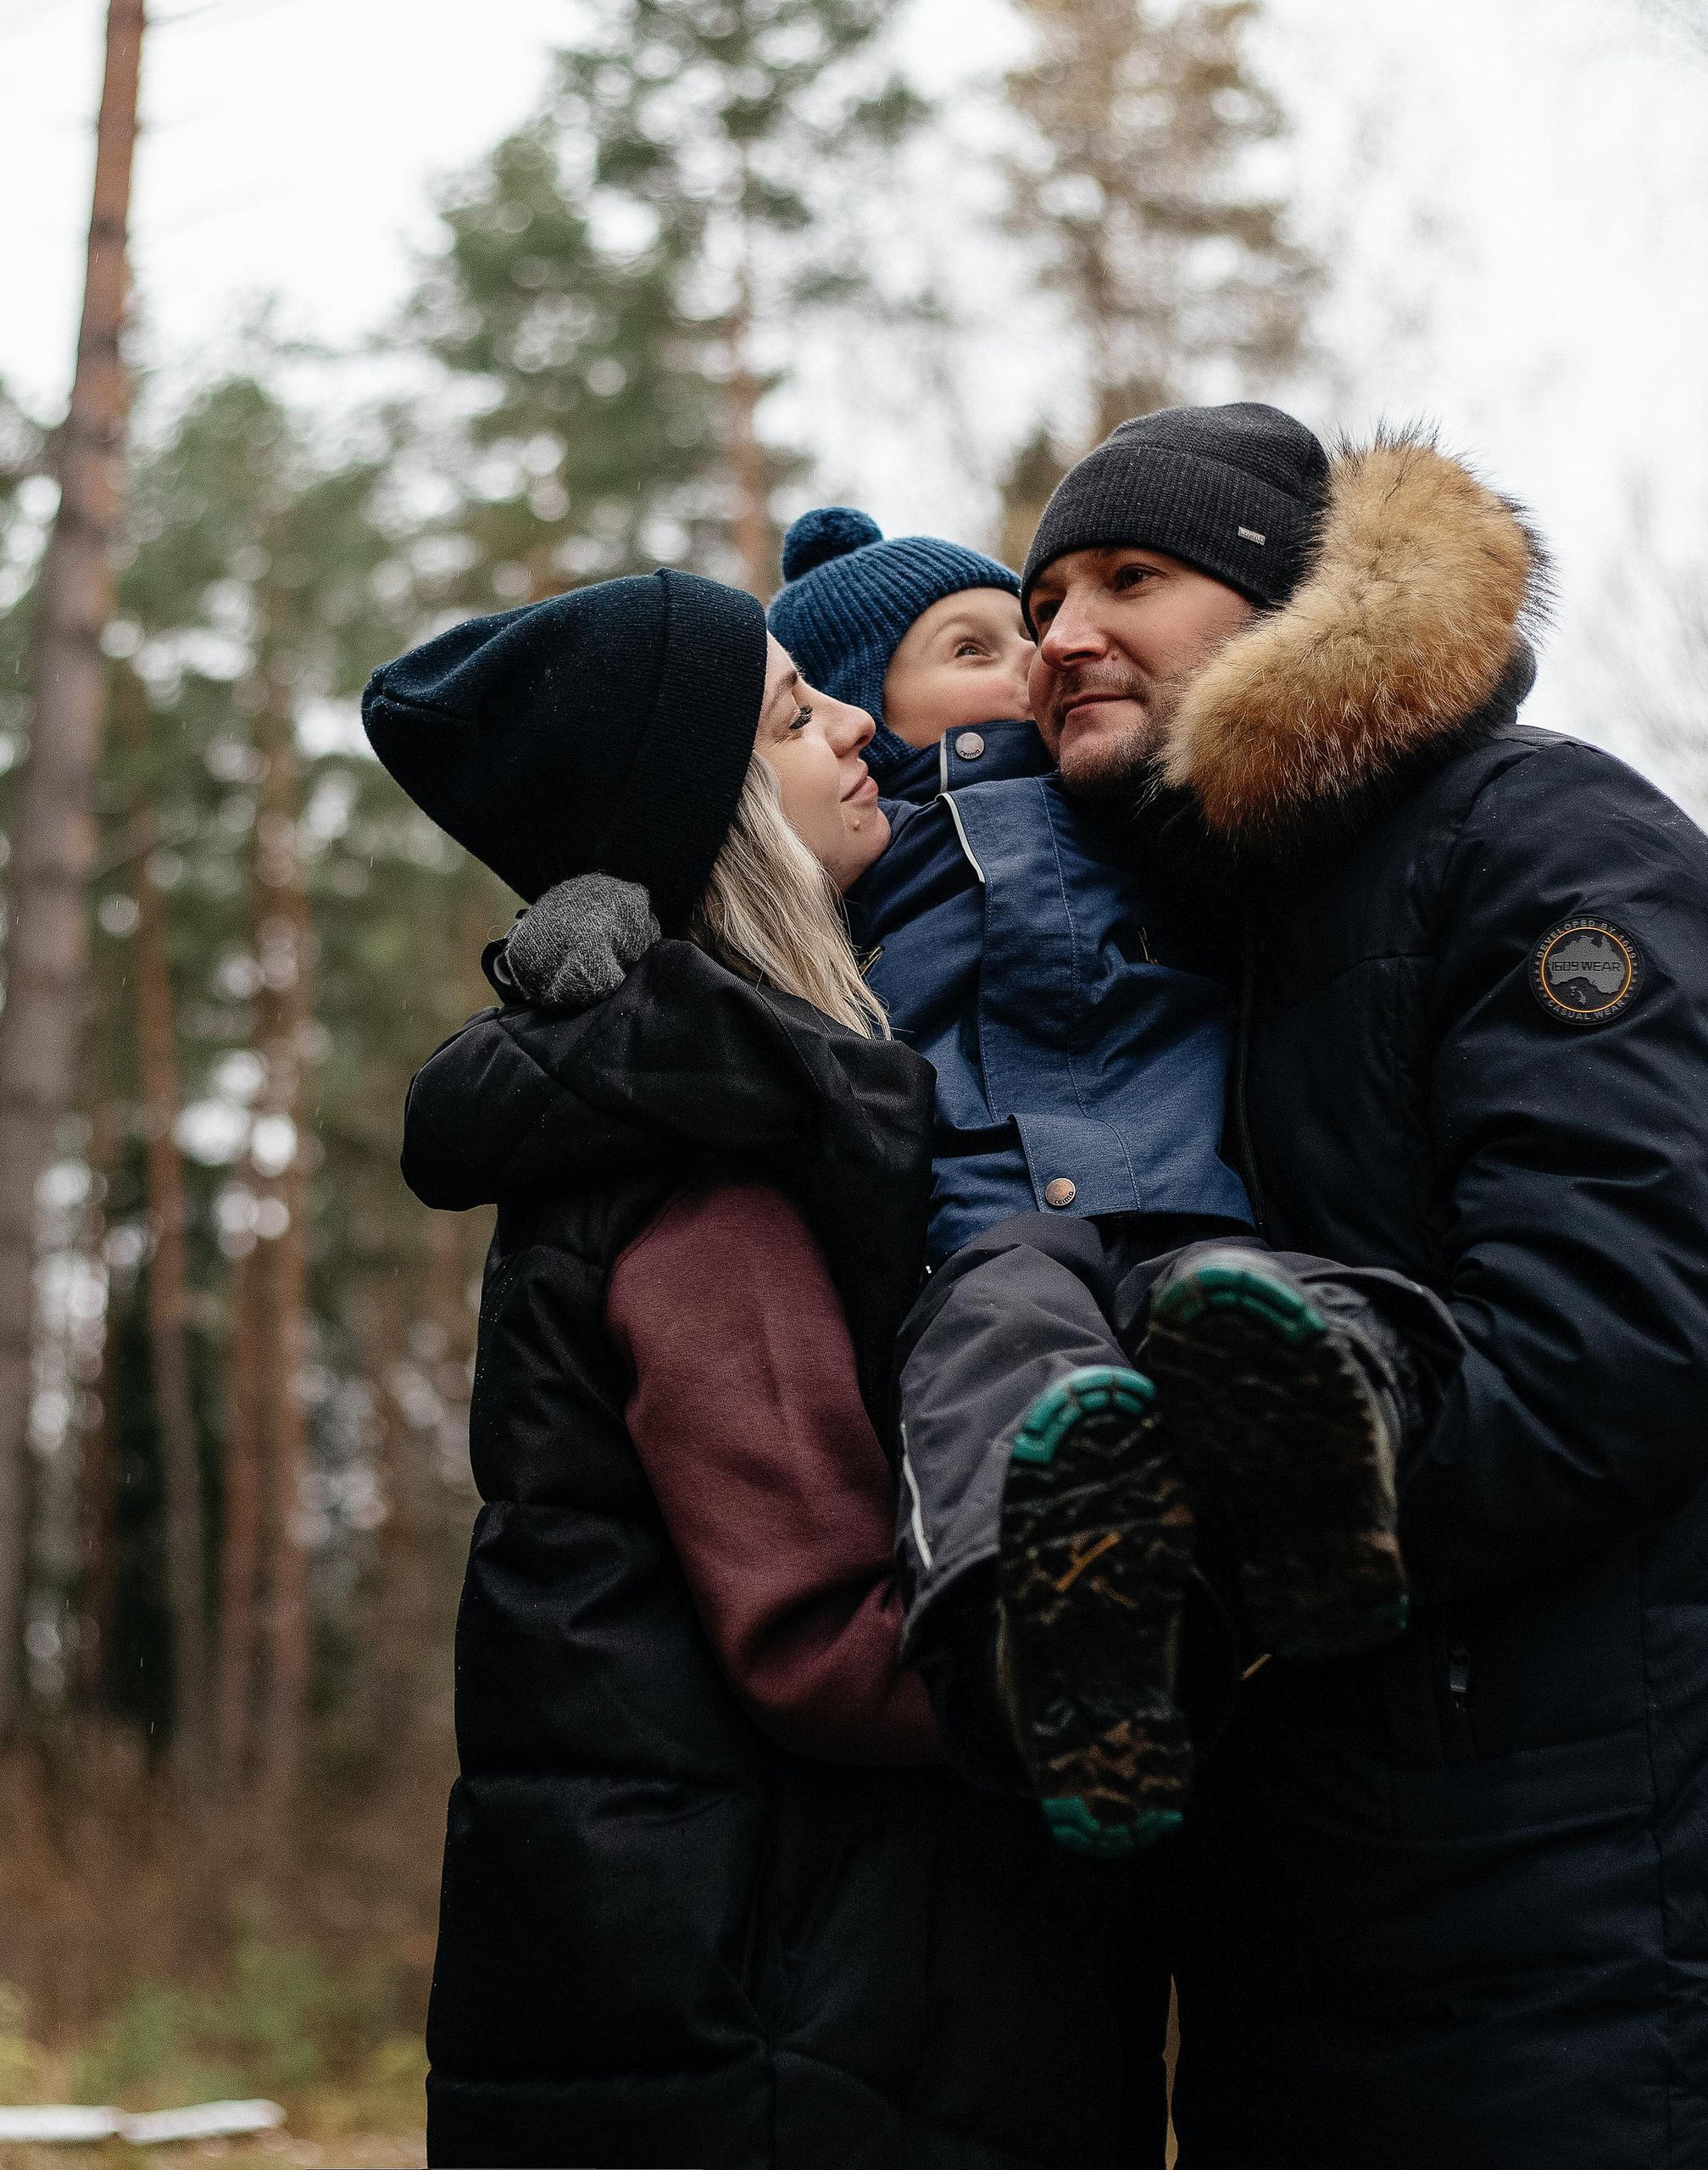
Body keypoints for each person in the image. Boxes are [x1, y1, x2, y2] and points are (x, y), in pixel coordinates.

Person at [363, 570, 1168, 2170]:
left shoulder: (712, 1085)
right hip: (768, 2027)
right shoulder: (709, 1155)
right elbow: (826, 1639)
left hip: (765, 1993)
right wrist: (1155, 1662)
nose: (861, 725)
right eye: (799, 718)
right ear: (723, 820)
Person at [508, 509, 1458, 1862]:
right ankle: (1054, 1645)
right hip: (991, 1232)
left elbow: (1301, 811)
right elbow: (714, 908)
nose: (1033, 665)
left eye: (1025, 637)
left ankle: (1329, 1500)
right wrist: (596, 916)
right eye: (973, 648)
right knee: (996, 1367)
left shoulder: (1135, 800)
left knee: (1275, 1309)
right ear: (863, 716)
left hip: (1193, 1197)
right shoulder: (861, 846)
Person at [1008, 401, 1708, 2170]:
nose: (1059, 634)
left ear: (1285, 607)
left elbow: (1612, 1335)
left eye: (1125, 579)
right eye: (1035, 604)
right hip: (1283, 1922)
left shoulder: (1540, 843)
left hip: (1563, 1911)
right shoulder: (1181, 948)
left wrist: (1197, 1548)